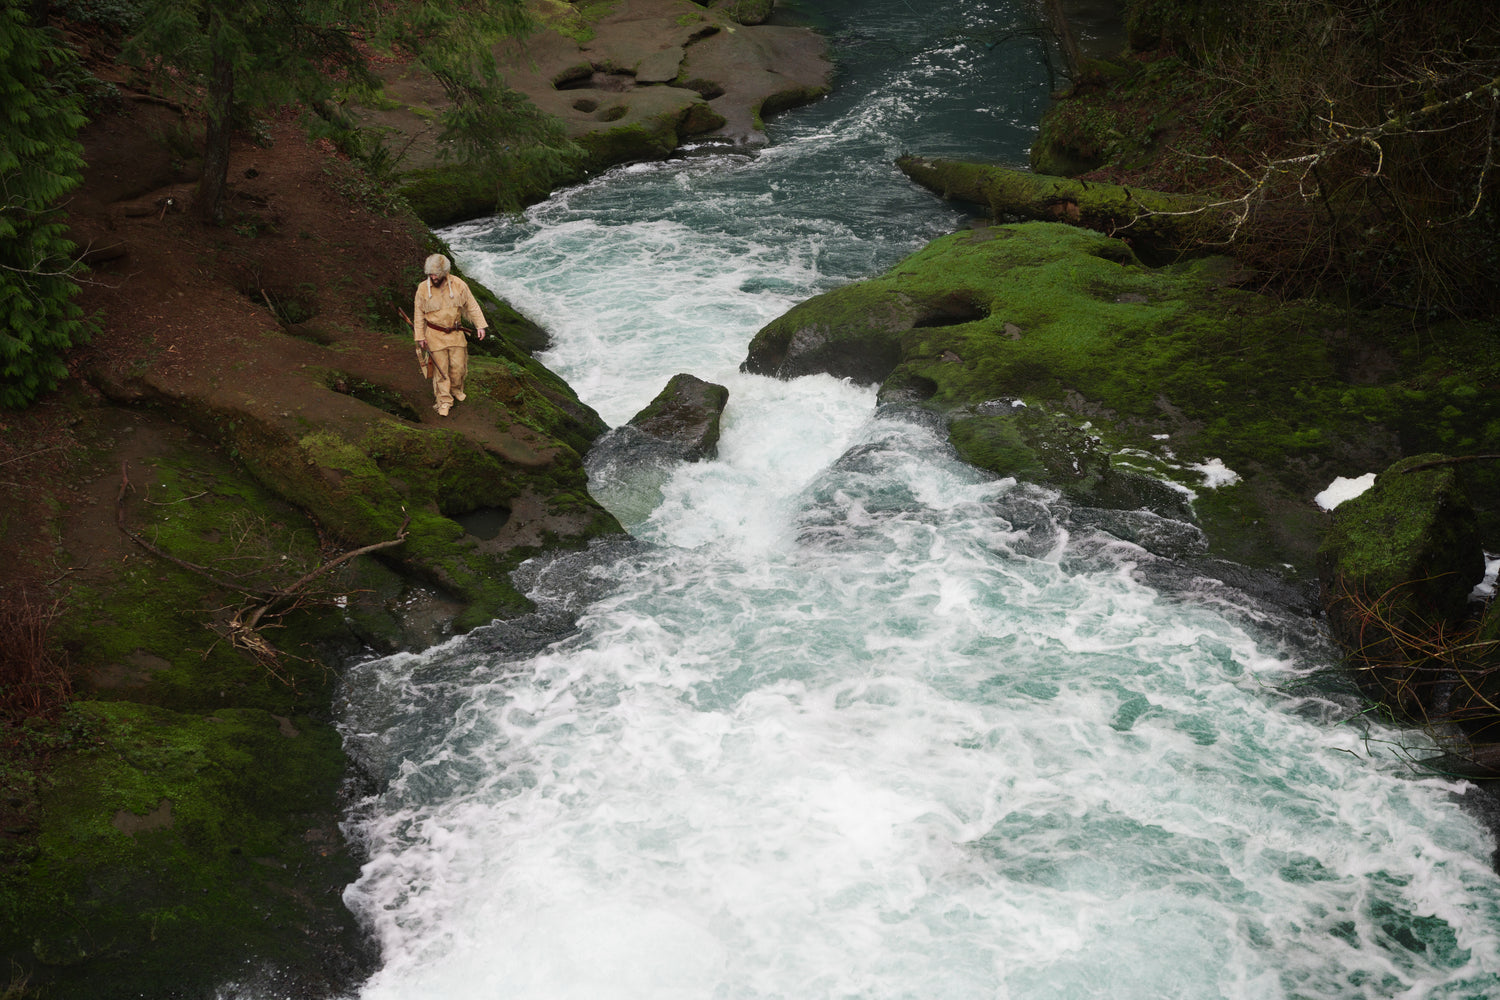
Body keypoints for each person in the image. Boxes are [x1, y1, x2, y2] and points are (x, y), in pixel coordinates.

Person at [413, 253, 489, 416]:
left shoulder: (459, 285)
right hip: (434, 335)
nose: (432, 277)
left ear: (444, 273)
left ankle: (455, 389)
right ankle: (444, 401)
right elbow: (418, 314)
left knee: (458, 368)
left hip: (456, 333)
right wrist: (420, 336)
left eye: (435, 274)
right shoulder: (422, 289)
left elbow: (472, 305)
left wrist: (480, 326)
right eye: (430, 274)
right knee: (441, 371)